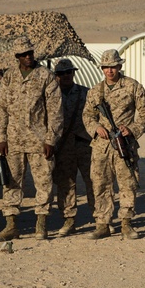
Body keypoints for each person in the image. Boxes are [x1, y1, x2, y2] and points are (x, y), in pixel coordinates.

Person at [0, 36, 63, 241]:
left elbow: (55, 111)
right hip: (13, 141)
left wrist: (51, 139)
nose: (27, 57)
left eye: (30, 53)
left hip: (39, 140)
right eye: (23, 54)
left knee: (44, 181)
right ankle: (11, 225)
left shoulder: (45, 76)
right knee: (11, 182)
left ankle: (41, 223)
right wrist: (1, 136)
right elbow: (2, 108)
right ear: (17, 56)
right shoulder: (9, 77)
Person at [82, 49, 145, 240]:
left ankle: (126, 223)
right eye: (106, 67)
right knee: (100, 184)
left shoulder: (132, 86)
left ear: (119, 66)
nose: (110, 71)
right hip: (102, 146)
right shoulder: (95, 91)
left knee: (127, 183)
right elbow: (87, 115)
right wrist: (96, 127)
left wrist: (133, 129)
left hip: (124, 144)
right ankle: (103, 223)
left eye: (113, 67)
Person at [51, 58, 95, 237]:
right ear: (56, 76)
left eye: (68, 72)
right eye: (61, 73)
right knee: (66, 184)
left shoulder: (86, 93)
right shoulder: (51, 96)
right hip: (63, 146)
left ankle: (100, 218)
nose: (65, 76)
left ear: (74, 73)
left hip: (84, 144)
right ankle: (69, 220)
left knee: (93, 182)